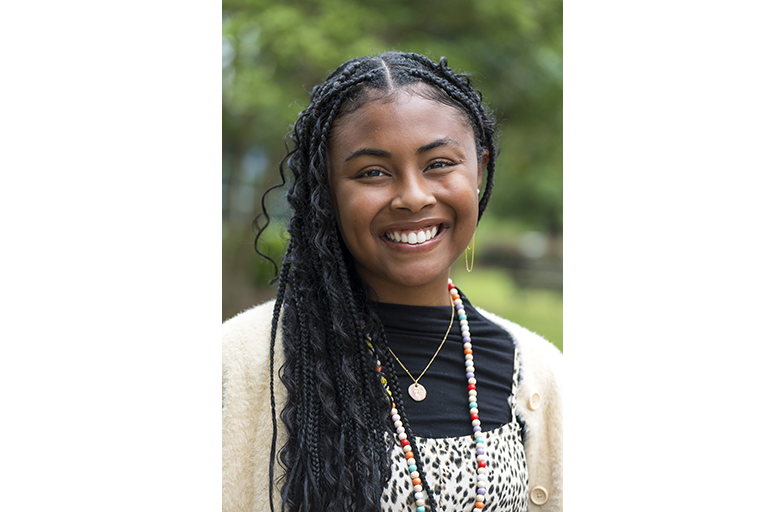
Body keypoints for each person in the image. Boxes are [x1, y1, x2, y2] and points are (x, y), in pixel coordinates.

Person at [223, 51, 562, 512]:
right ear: (327, 191)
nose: (413, 196)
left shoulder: (542, 372)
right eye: (373, 172)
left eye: (439, 163)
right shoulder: (237, 365)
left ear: (479, 170)